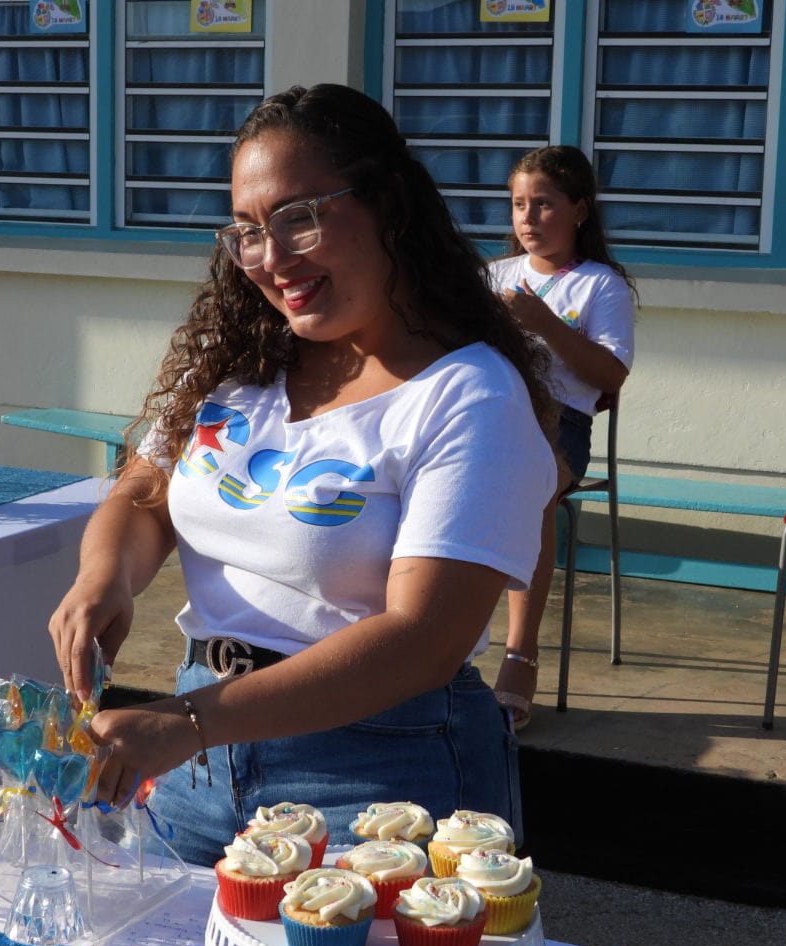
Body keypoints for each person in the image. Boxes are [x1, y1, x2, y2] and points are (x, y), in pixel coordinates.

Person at [48, 84, 558, 866]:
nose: (272, 259)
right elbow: (143, 496)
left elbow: (423, 639)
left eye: (299, 218)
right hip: (199, 761)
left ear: (390, 204)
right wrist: (103, 580)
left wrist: (186, 722)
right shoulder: (241, 365)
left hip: (377, 775)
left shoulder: (469, 396)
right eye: (248, 232)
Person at [487, 146, 637, 731]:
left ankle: (520, 654)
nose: (528, 218)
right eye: (519, 205)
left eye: (544, 205)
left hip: (560, 428)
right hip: (492, 419)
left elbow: (611, 376)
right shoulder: (494, 277)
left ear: (579, 210)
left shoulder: (601, 287)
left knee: (528, 485)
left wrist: (544, 323)